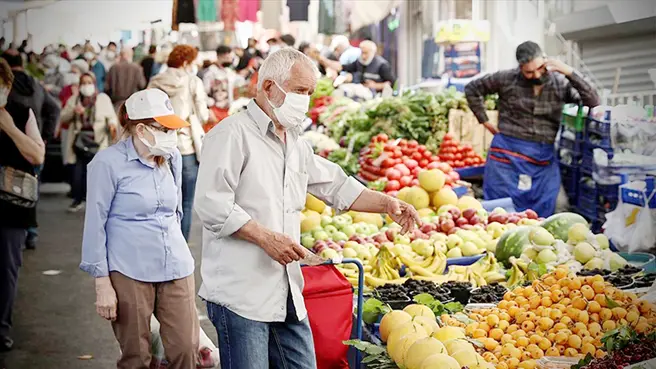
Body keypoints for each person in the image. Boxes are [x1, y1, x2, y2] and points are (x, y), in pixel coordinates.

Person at [194, 48, 421, 368]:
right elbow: (211, 203)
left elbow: (336, 185)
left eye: (310, 93)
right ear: (269, 87)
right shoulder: (231, 136)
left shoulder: (295, 142)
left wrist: (386, 203)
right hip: (240, 296)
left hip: (286, 290)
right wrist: (264, 237)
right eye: (300, 91)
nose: (306, 100)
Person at [80, 89, 198, 369]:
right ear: (142, 129)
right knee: (136, 356)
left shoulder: (172, 158)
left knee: (186, 350)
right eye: (165, 129)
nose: (172, 135)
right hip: (129, 269)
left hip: (175, 265)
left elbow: (177, 211)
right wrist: (102, 283)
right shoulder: (107, 164)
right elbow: (95, 224)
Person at [464, 41, 600, 216]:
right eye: (529, 72)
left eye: (540, 68)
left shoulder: (560, 82)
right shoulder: (506, 79)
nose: (536, 74)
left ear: (545, 61)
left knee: (546, 206)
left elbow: (593, 101)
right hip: (506, 152)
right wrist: (484, 121)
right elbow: (472, 89)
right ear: (520, 67)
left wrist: (569, 72)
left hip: (542, 155)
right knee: (499, 209)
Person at [0, 57, 45, 352]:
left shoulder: (19, 112)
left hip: (11, 206)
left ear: (7, 86)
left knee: (6, 269)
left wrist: (10, 129)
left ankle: (1, 328)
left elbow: (38, 156)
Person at [148, 44, 209, 241]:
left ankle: (162, 240)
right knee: (186, 201)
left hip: (158, 147)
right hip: (186, 147)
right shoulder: (193, 82)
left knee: (160, 199)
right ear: (185, 62)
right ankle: (180, 244)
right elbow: (204, 115)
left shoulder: (155, 82)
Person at [2, 49, 60, 250]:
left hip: (19, 150)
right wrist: (45, 135)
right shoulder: (36, 85)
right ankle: (31, 232)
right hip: (31, 147)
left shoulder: (11, 105)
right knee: (30, 188)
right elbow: (54, 108)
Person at [61, 73, 118, 212]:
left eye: (89, 82)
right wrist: (75, 112)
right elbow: (63, 118)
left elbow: (111, 117)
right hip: (79, 142)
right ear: (80, 85)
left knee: (98, 174)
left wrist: (111, 125)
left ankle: (97, 202)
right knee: (78, 173)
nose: (87, 86)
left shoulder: (102, 99)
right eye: (84, 83)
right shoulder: (75, 100)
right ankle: (78, 199)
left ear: (94, 83)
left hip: (98, 142)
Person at [202, 45, 238, 132]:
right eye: (226, 57)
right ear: (218, 57)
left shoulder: (229, 72)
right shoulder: (210, 73)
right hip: (215, 110)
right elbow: (203, 93)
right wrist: (209, 109)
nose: (229, 60)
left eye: (230, 57)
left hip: (229, 110)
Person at [105, 47, 147, 111]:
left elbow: (107, 87)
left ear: (121, 55)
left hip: (116, 103)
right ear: (130, 55)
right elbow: (142, 85)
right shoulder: (137, 68)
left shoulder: (113, 68)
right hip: (133, 104)